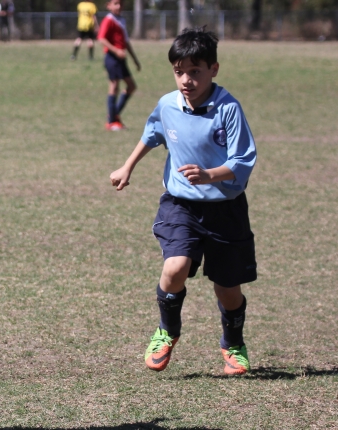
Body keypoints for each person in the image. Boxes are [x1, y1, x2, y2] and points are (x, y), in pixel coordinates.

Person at [109, 27, 257, 376]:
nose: (186, 79)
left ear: (214, 69)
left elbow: (243, 159)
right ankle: (167, 330)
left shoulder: (228, 108)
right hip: (181, 204)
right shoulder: (167, 105)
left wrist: (209, 175)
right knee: (174, 268)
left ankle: (233, 344)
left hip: (225, 208)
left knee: (228, 290)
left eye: (195, 71)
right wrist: (127, 166)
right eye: (179, 71)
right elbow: (151, 134)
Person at [97, 0, 140, 131]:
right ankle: (111, 122)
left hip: (121, 59)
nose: (119, 6)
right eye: (115, 3)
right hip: (112, 58)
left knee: (131, 86)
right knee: (114, 86)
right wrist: (116, 50)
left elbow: (126, 42)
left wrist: (135, 59)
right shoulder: (108, 20)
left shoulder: (121, 20)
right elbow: (101, 38)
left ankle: (114, 115)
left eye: (120, 3)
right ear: (108, 5)